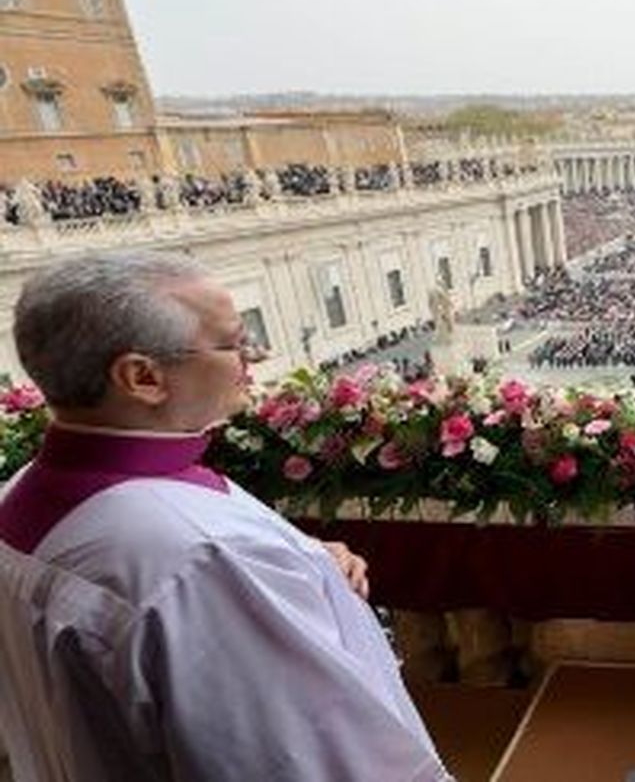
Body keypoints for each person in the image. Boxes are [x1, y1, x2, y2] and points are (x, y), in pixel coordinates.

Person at [0, 251, 449, 781]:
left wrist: (305, 566)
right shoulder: (205, 560)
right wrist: (262, 573)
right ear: (143, 377)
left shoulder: (19, 493)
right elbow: (308, 762)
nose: (253, 356)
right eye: (234, 342)